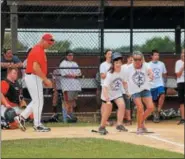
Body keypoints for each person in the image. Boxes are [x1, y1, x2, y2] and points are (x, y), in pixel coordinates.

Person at [14, 33, 55, 132]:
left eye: (51, 44)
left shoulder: (40, 49)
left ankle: (21, 117)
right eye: (48, 43)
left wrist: (43, 78)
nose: (49, 45)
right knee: (39, 101)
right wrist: (45, 79)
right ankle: (37, 125)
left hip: (35, 77)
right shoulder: (37, 50)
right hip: (33, 76)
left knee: (37, 101)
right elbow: (35, 68)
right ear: (43, 40)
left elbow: (38, 67)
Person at [124, 51, 154, 134]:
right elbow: (124, 81)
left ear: (142, 59)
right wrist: (127, 91)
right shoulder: (128, 68)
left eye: (139, 59)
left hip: (145, 88)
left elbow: (150, 71)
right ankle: (139, 127)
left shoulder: (146, 65)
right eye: (135, 59)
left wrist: (151, 75)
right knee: (140, 108)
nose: (137, 61)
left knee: (151, 107)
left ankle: (141, 122)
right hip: (134, 90)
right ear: (132, 60)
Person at [98, 52, 128, 135]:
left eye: (120, 62)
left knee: (122, 105)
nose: (118, 64)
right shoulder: (110, 74)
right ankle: (102, 127)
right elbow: (105, 87)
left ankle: (119, 124)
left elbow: (124, 82)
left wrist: (127, 91)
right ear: (113, 64)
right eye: (116, 62)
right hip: (107, 92)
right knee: (108, 109)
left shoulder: (123, 71)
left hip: (116, 92)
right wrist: (107, 99)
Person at [59, 50, 81, 122]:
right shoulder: (63, 64)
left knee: (72, 102)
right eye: (69, 55)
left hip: (75, 86)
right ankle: (65, 119)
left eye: (72, 55)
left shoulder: (75, 64)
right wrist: (74, 75)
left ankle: (70, 118)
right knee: (66, 102)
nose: (71, 56)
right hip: (67, 86)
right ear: (66, 56)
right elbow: (64, 74)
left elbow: (79, 73)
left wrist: (74, 75)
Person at [149, 50, 167, 123]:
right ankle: (155, 115)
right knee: (153, 101)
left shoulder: (161, 64)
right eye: (155, 55)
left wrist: (164, 82)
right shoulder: (148, 64)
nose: (157, 56)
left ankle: (158, 111)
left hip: (160, 84)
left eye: (158, 55)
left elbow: (164, 73)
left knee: (162, 95)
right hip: (151, 85)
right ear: (152, 56)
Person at [121, 55, 133, 125]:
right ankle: (124, 119)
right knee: (123, 105)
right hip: (123, 90)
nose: (132, 61)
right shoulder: (123, 67)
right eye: (130, 60)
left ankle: (129, 119)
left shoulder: (134, 68)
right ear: (128, 59)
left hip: (131, 90)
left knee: (129, 105)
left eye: (133, 60)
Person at [175, 49, 184, 125]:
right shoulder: (178, 62)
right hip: (181, 82)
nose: (183, 55)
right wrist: (183, 67)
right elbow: (178, 75)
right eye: (183, 53)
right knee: (182, 101)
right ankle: (183, 119)